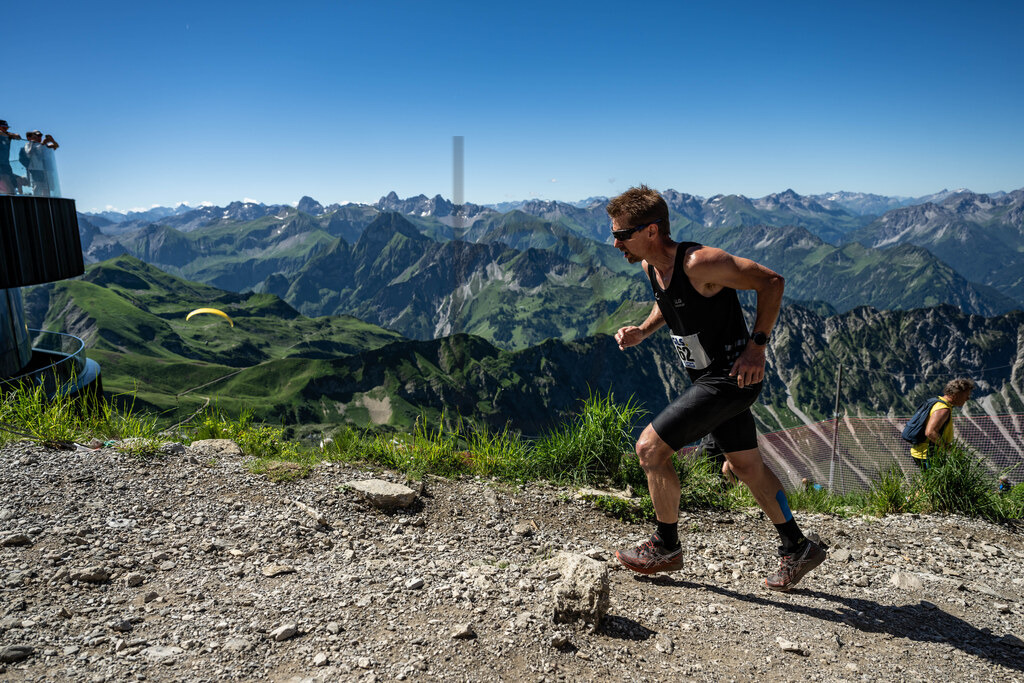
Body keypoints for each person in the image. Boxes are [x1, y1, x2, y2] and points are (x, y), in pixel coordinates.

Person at [607, 185, 827, 592]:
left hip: (730, 379)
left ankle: (666, 546)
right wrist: (642, 331)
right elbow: (669, 303)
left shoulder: (700, 262)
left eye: (621, 234)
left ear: (651, 230)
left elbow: (772, 282)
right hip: (708, 379)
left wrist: (756, 347)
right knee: (746, 467)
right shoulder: (651, 267)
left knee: (650, 449)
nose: (616, 243)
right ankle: (799, 547)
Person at [909, 378, 974, 470]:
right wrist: (949, 449)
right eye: (966, 395)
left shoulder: (937, 401)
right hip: (928, 454)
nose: (968, 398)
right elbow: (930, 432)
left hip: (923, 452)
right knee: (937, 479)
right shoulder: (943, 409)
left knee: (932, 478)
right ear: (956, 394)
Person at [19, 130, 51, 197]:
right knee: (37, 187)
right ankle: (37, 200)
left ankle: (46, 200)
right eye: (35, 136)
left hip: (42, 169)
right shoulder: (28, 144)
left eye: (39, 136)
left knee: (45, 187)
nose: (37, 137)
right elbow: (28, 154)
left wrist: (44, 143)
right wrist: (32, 143)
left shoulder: (40, 145)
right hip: (34, 169)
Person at [0, 119, 21, 194]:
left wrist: (10, 134)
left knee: (10, 182)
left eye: (6, 128)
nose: (5, 129)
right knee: (5, 180)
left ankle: (12, 198)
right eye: (3, 127)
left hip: (5, 163)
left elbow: (18, 136)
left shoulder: (8, 135)